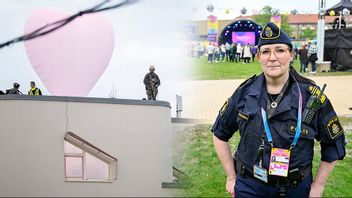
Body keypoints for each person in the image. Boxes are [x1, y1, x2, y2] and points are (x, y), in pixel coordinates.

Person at [212, 22, 346, 197]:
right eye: (266, 51)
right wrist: (231, 177)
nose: (272, 57)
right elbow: (219, 133)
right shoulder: (244, 93)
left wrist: (319, 185)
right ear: (258, 56)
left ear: (291, 54)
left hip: (295, 189)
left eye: (280, 50)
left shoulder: (311, 97)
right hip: (250, 187)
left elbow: (334, 144)